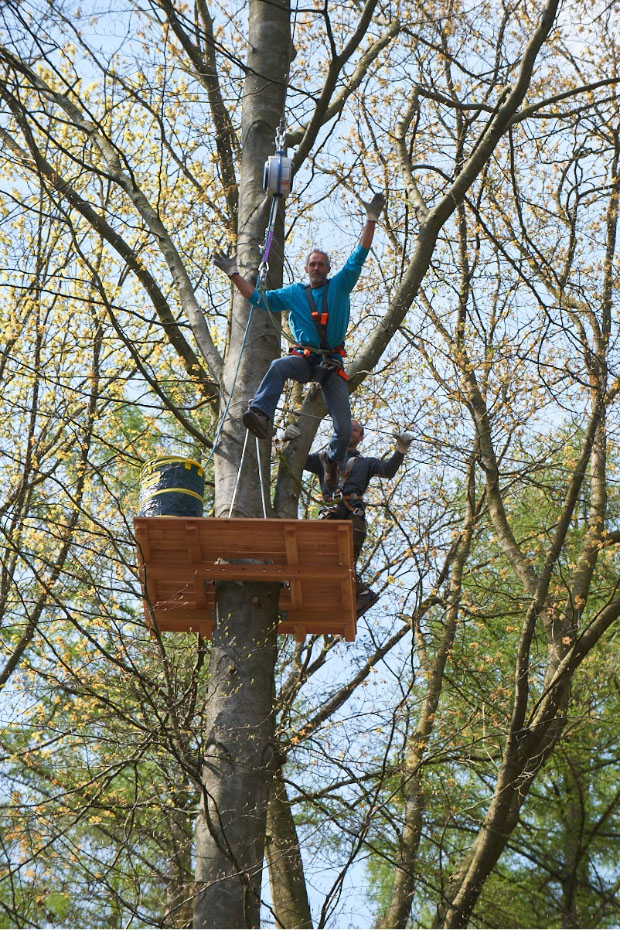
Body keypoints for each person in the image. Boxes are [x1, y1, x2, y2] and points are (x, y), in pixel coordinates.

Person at [213, 191, 385, 488]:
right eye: (312, 264)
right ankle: (260, 413)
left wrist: (371, 220)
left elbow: (360, 254)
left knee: (344, 429)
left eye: (321, 264)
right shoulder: (294, 293)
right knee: (280, 365)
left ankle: (331, 461)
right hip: (305, 360)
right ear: (307, 269)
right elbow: (258, 299)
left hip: (331, 364)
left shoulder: (341, 285)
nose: (316, 268)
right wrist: (233, 274)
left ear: (328, 269)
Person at [302, 420, 412, 618]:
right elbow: (297, 458)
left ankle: (360, 595)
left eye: (355, 430)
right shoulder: (323, 459)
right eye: (347, 427)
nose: (350, 431)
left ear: (361, 438)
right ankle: (360, 593)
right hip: (330, 514)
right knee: (315, 556)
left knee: (344, 561)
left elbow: (388, 471)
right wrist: (288, 439)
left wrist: (400, 451)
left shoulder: (366, 463)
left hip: (352, 514)